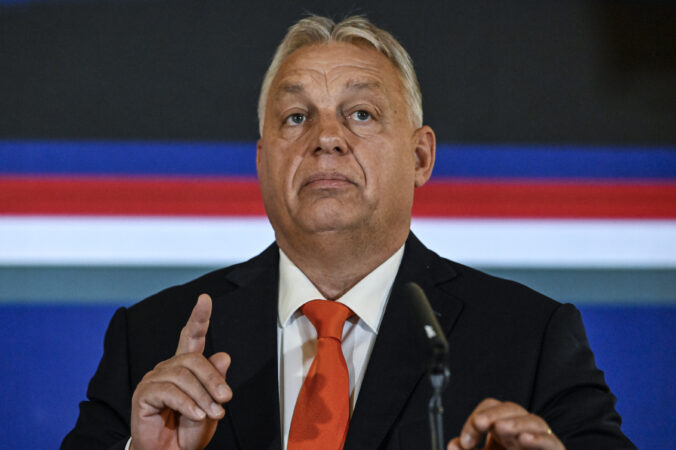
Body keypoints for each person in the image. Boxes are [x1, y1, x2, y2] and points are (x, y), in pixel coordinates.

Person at [62, 15, 635, 450]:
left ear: (420, 157)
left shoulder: (529, 338)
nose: (326, 138)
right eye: (296, 117)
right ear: (262, 162)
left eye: (361, 113)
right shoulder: (151, 338)